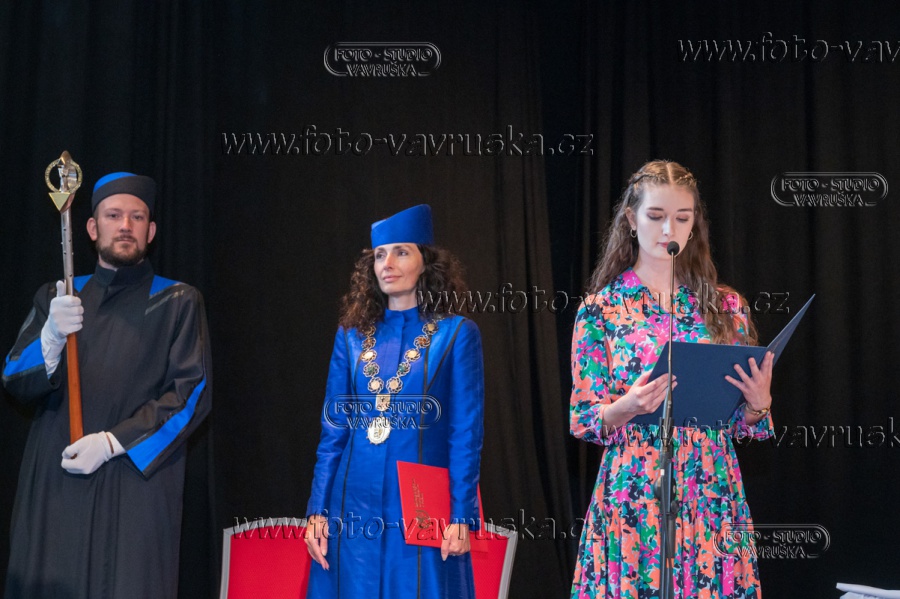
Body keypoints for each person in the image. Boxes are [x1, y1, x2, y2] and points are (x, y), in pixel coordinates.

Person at [569, 160, 774, 598]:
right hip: (635, 486)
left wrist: (758, 405)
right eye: (656, 216)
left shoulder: (726, 306)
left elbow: (742, 423)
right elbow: (585, 418)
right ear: (631, 220)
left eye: (682, 218)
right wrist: (627, 406)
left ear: (695, 223)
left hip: (710, 485)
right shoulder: (600, 310)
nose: (669, 230)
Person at [2, 172, 212, 599]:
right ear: (92, 228)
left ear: (151, 232)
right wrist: (50, 337)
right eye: (113, 216)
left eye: (137, 217)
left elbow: (191, 393)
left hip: (134, 488)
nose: (125, 225)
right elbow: (13, 378)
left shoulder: (178, 301)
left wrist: (113, 442)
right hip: (57, 486)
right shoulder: (59, 296)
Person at [304, 204, 484, 598]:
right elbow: (333, 432)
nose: (387, 264)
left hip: (421, 506)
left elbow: (465, 435)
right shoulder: (351, 336)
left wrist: (461, 516)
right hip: (351, 502)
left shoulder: (456, 334)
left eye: (401, 252)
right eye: (380, 255)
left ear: (426, 262)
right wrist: (317, 510)